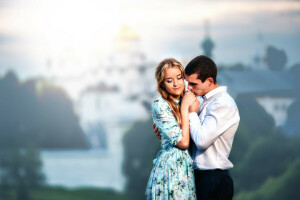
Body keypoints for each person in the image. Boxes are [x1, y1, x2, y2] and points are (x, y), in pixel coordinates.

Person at [154, 55, 240, 200]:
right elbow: (191, 136)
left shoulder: (222, 103)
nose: (189, 88)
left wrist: (192, 113)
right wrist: (170, 134)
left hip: (214, 178)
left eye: (193, 84)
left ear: (210, 81)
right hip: (198, 177)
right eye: (188, 83)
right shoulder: (202, 100)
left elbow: (201, 140)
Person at [146, 58, 197, 200]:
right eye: (169, 80)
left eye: (179, 78)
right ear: (162, 84)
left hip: (189, 169)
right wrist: (185, 108)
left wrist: (186, 105)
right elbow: (183, 143)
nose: (176, 84)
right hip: (172, 170)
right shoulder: (160, 105)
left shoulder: (189, 99)